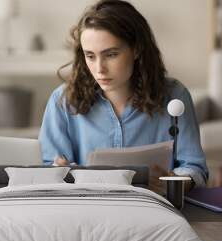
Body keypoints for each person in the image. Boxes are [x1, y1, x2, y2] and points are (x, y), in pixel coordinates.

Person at [38, 0, 208, 188]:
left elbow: (194, 168)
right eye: (90, 56)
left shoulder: (175, 96)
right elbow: (48, 167)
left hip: (152, 208)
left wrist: (174, 183)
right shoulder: (63, 101)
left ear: (136, 49)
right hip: (86, 209)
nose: (99, 69)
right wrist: (58, 171)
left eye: (111, 55)